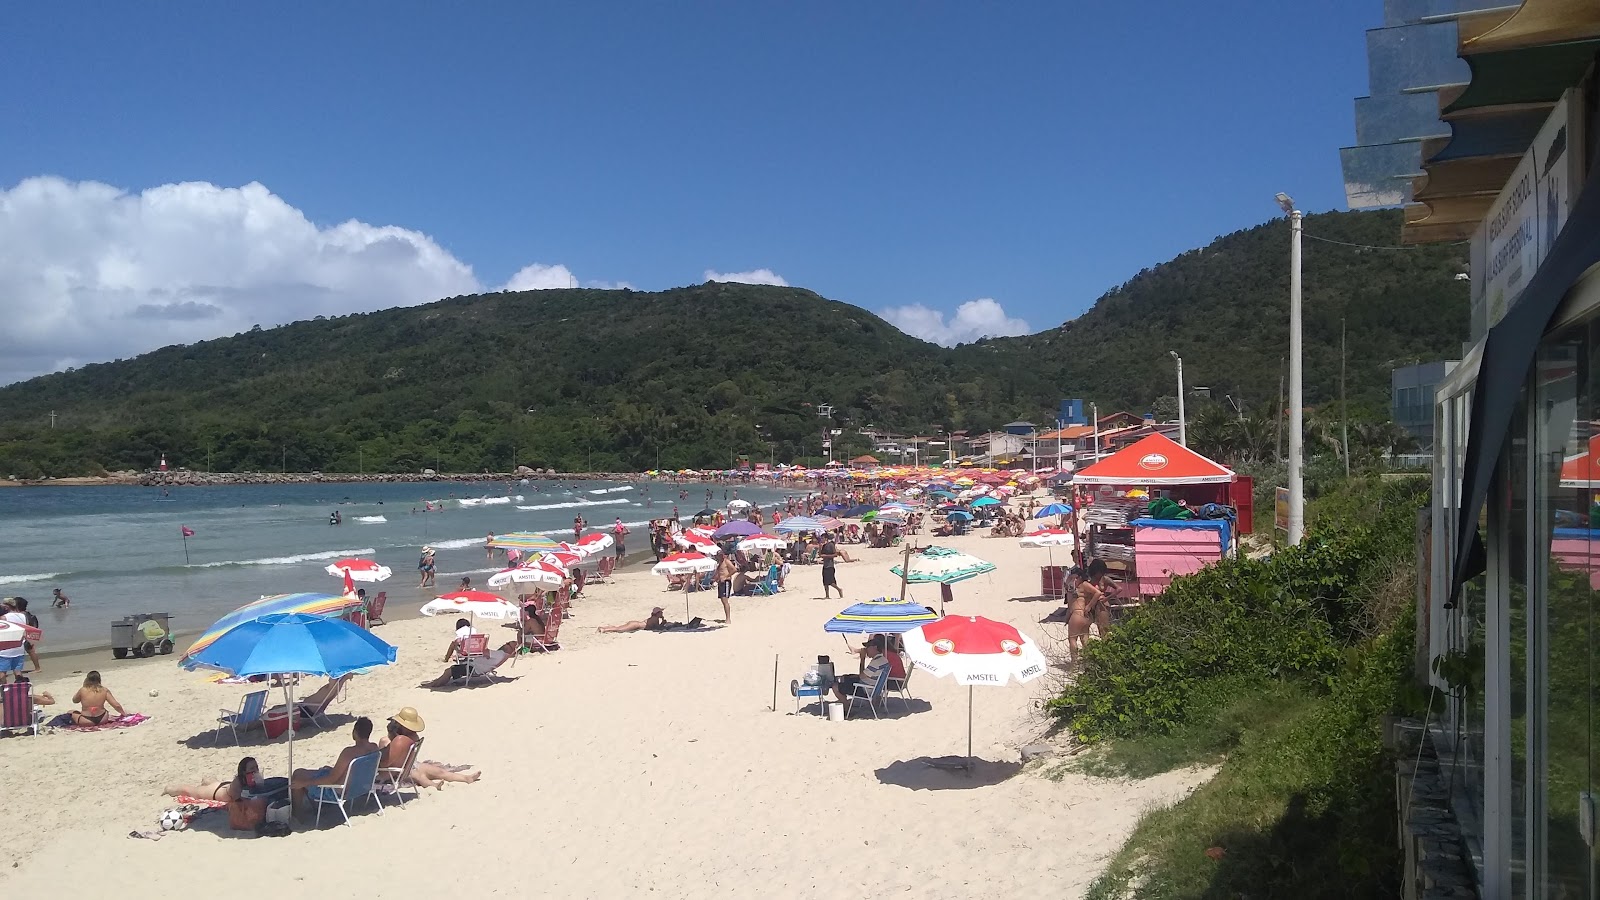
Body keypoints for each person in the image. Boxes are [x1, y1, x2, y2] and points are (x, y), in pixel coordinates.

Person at [378, 708, 481, 789]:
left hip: (410, 766)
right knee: (420, 775)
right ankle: (433, 785)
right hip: (395, 772)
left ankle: (466, 778)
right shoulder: (386, 741)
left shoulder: (413, 737)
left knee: (439, 772)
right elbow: (386, 762)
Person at [290, 717, 379, 809]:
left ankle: (297, 814)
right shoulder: (374, 748)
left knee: (298, 776)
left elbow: (330, 780)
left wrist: (304, 783)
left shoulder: (349, 753)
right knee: (305, 772)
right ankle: (316, 808)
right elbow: (354, 772)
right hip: (359, 788)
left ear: (355, 732)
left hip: (338, 792)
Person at [164, 756, 270, 831]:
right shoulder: (238, 784)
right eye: (252, 768)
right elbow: (239, 803)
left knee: (213, 783)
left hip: (225, 785)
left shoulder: (247, 779)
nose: (255, 771)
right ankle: (170, 789)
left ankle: (208, 780)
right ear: (243, 772)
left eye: (256, 767)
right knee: (192, 791)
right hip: (216, 792)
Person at [832, 636, 891, 704]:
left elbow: (862, 676)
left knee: (835, 687)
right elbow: (866, 675)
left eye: (868, 647)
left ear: (875, 647)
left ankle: (847, 708)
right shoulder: (883, 660)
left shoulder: (877, 662)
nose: (866, 649)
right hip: (871, 687)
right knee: (846, 677)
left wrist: (862, 659)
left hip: (865, 689)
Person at [0, 599, 32, 680]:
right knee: (18, 671)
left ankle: (3, 690)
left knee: (2, 672)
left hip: (5, 649)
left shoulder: (3, 618)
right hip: (19, 647)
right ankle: (19, 688)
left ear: (7, 607)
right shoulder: (23, 616)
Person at [597, 607, 666, 633]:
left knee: (619, 627)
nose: (662, 613)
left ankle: (604, 628)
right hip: (635, 625)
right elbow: (658, 629)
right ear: (658, 613)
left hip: (635, 623)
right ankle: (604, 630)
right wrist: (663, 622)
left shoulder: (654, 618)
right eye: (661, 612)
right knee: (619, 630)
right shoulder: (655, 619)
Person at [714, 553, 735, 623]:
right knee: (723, 600)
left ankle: (728, 619)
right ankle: (727, 617)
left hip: (726, 582)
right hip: (721, 583)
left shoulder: (726, 561)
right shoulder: (720, 563)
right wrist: (716, 579)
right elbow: (719, 572)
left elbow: (734, 569)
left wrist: (726, 577)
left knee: (725, 600)